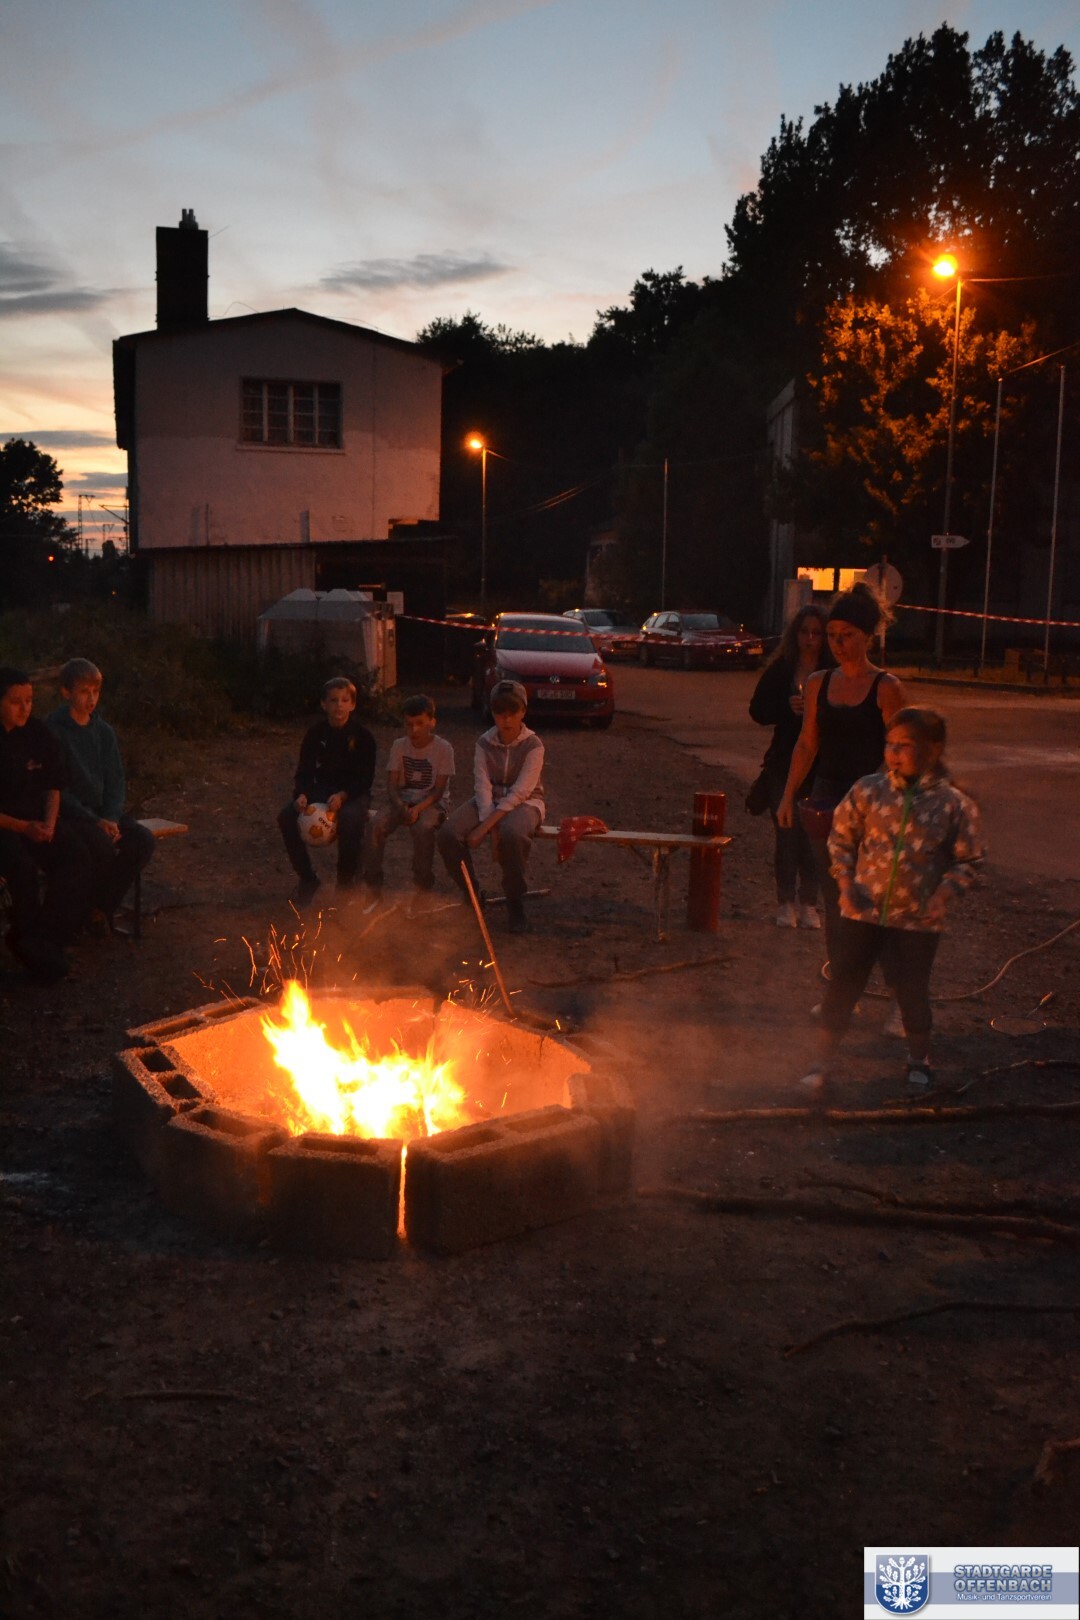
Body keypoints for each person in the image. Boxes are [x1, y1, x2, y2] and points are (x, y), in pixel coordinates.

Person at [798, 707, 985, 1092]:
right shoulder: (869, 790)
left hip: (917, 920)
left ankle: (919, 1060)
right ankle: (820, 1063)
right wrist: (845, 885)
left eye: (906, 745)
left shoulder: (953, 804)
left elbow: (969, 860)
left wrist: (943, 895)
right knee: (843, 987)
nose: (895, 753)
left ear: (933, 749)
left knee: (911, 992)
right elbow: (841, 839)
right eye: (890, 744)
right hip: (862, 911)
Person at [777, 581, 906, 966]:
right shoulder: (819, 683)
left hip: (871, 804)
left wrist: (875, 792)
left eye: (847, 635)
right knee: (834, 894)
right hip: (826, 798)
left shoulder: (886, 687)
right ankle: (840, 977)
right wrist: (788, 796)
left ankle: (883, 978)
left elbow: (900, 751)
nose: (837, 643)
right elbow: (807, 744)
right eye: (832, 635)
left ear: (867, 636)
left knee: (869, 894)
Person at [0, 666, 96, 980]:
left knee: (75, 855)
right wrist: (24, 828)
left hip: (36, 821)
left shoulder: (37, 733)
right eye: (15, 702)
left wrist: (50, 824)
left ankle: (46, 938)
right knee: (22, 868)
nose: (24, 708)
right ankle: (27, 937)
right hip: (6, 826)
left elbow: (53, 785)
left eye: (29, 700)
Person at [46, 658, 155, 923]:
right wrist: (95, 821)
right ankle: (80, 911)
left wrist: (111, 817)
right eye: (84, 691)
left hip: (102, 813)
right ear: (66, 692)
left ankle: (99, 909)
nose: (91, 698)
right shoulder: (53, 731)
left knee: (142, 840)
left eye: (95, 691)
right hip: (71, 814)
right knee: (100, 847)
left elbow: (115, 780)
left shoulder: (104, 732)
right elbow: (56, 790)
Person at [438, 679, 544, 934]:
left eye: (512, 713)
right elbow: (482, 785)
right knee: (448, 833)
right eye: (499, 713)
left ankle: (515, 902)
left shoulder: (534, 745)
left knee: (512, 834)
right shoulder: (483, 743)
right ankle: (472, 893)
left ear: (522, 711)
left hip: (525, 801)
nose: (506, 720)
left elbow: (521, 791)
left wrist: (484, 829)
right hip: (490, 800)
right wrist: (488, 824)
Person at [749, 604, 832, 928]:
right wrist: (786, 708)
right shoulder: (783, 669)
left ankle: (809, 902)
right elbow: (757, 710)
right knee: (786, 836)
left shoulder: (833, 672)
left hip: (821, 766)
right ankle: (785, 901)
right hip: (783, 763)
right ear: (795, 634)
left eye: (817, 633)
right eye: (804, 632)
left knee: (814, 840)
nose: (810, 639)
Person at [278, 676, 376, 908]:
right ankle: (307, 878)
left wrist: (343, 795)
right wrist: (301, 794)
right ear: (324, 704)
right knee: (286, 816)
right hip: (320, 790)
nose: (339, 705)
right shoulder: (315, 734)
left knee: (350, 819)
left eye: (344, 700)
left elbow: (366, 779)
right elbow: (304, 770)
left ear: (353, 704)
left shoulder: (363, 737)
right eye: (333, 700)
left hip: (352, 792)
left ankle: (345, 884)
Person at [363, 694, 454, 906]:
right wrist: (400, 805)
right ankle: (373, 887)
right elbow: (391, 784)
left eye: (420, 723)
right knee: (376, 825)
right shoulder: (399, 746)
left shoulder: (444, 749)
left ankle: (422, 888)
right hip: (402, 799)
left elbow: (438, 791)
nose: (414, 730)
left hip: (431, 803)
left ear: (432, 722)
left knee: (422, 829)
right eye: (409, 724)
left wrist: (417, 809)